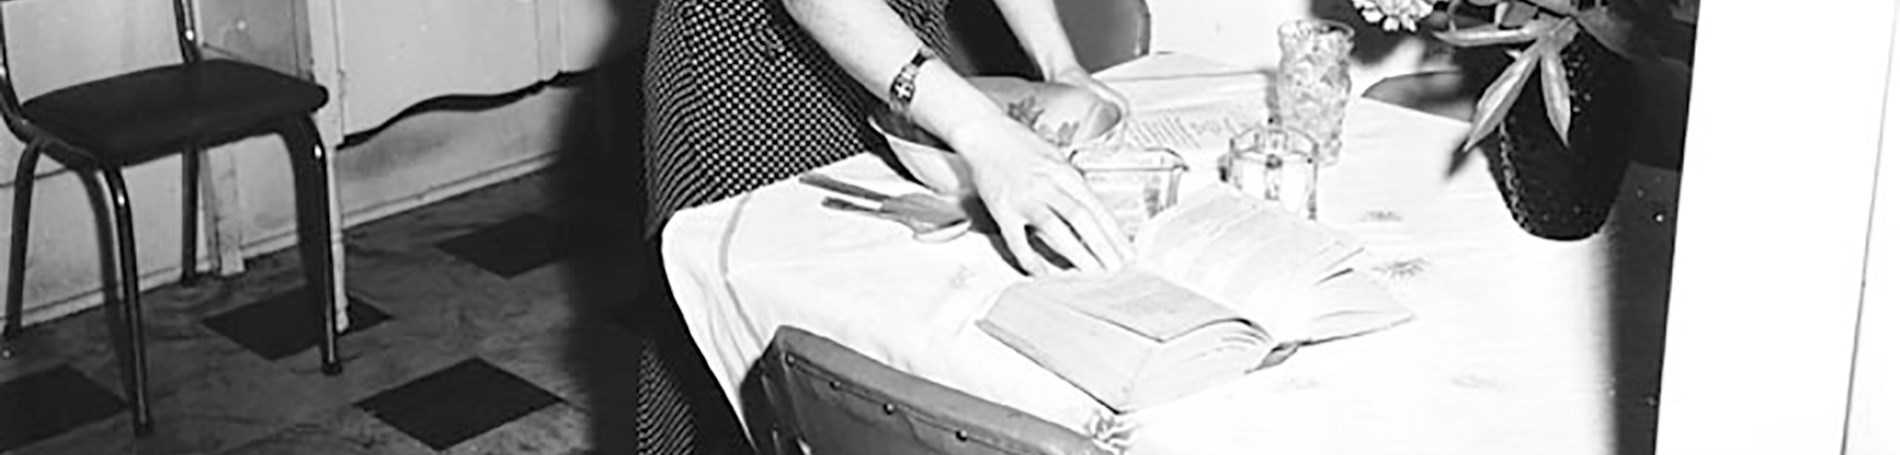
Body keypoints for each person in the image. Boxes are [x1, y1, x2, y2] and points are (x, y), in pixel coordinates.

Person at [643, 0, 1132, 275]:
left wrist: (1060, 64)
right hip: (758, 74)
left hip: (901, 49)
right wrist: (984, 132)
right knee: (780, 303)